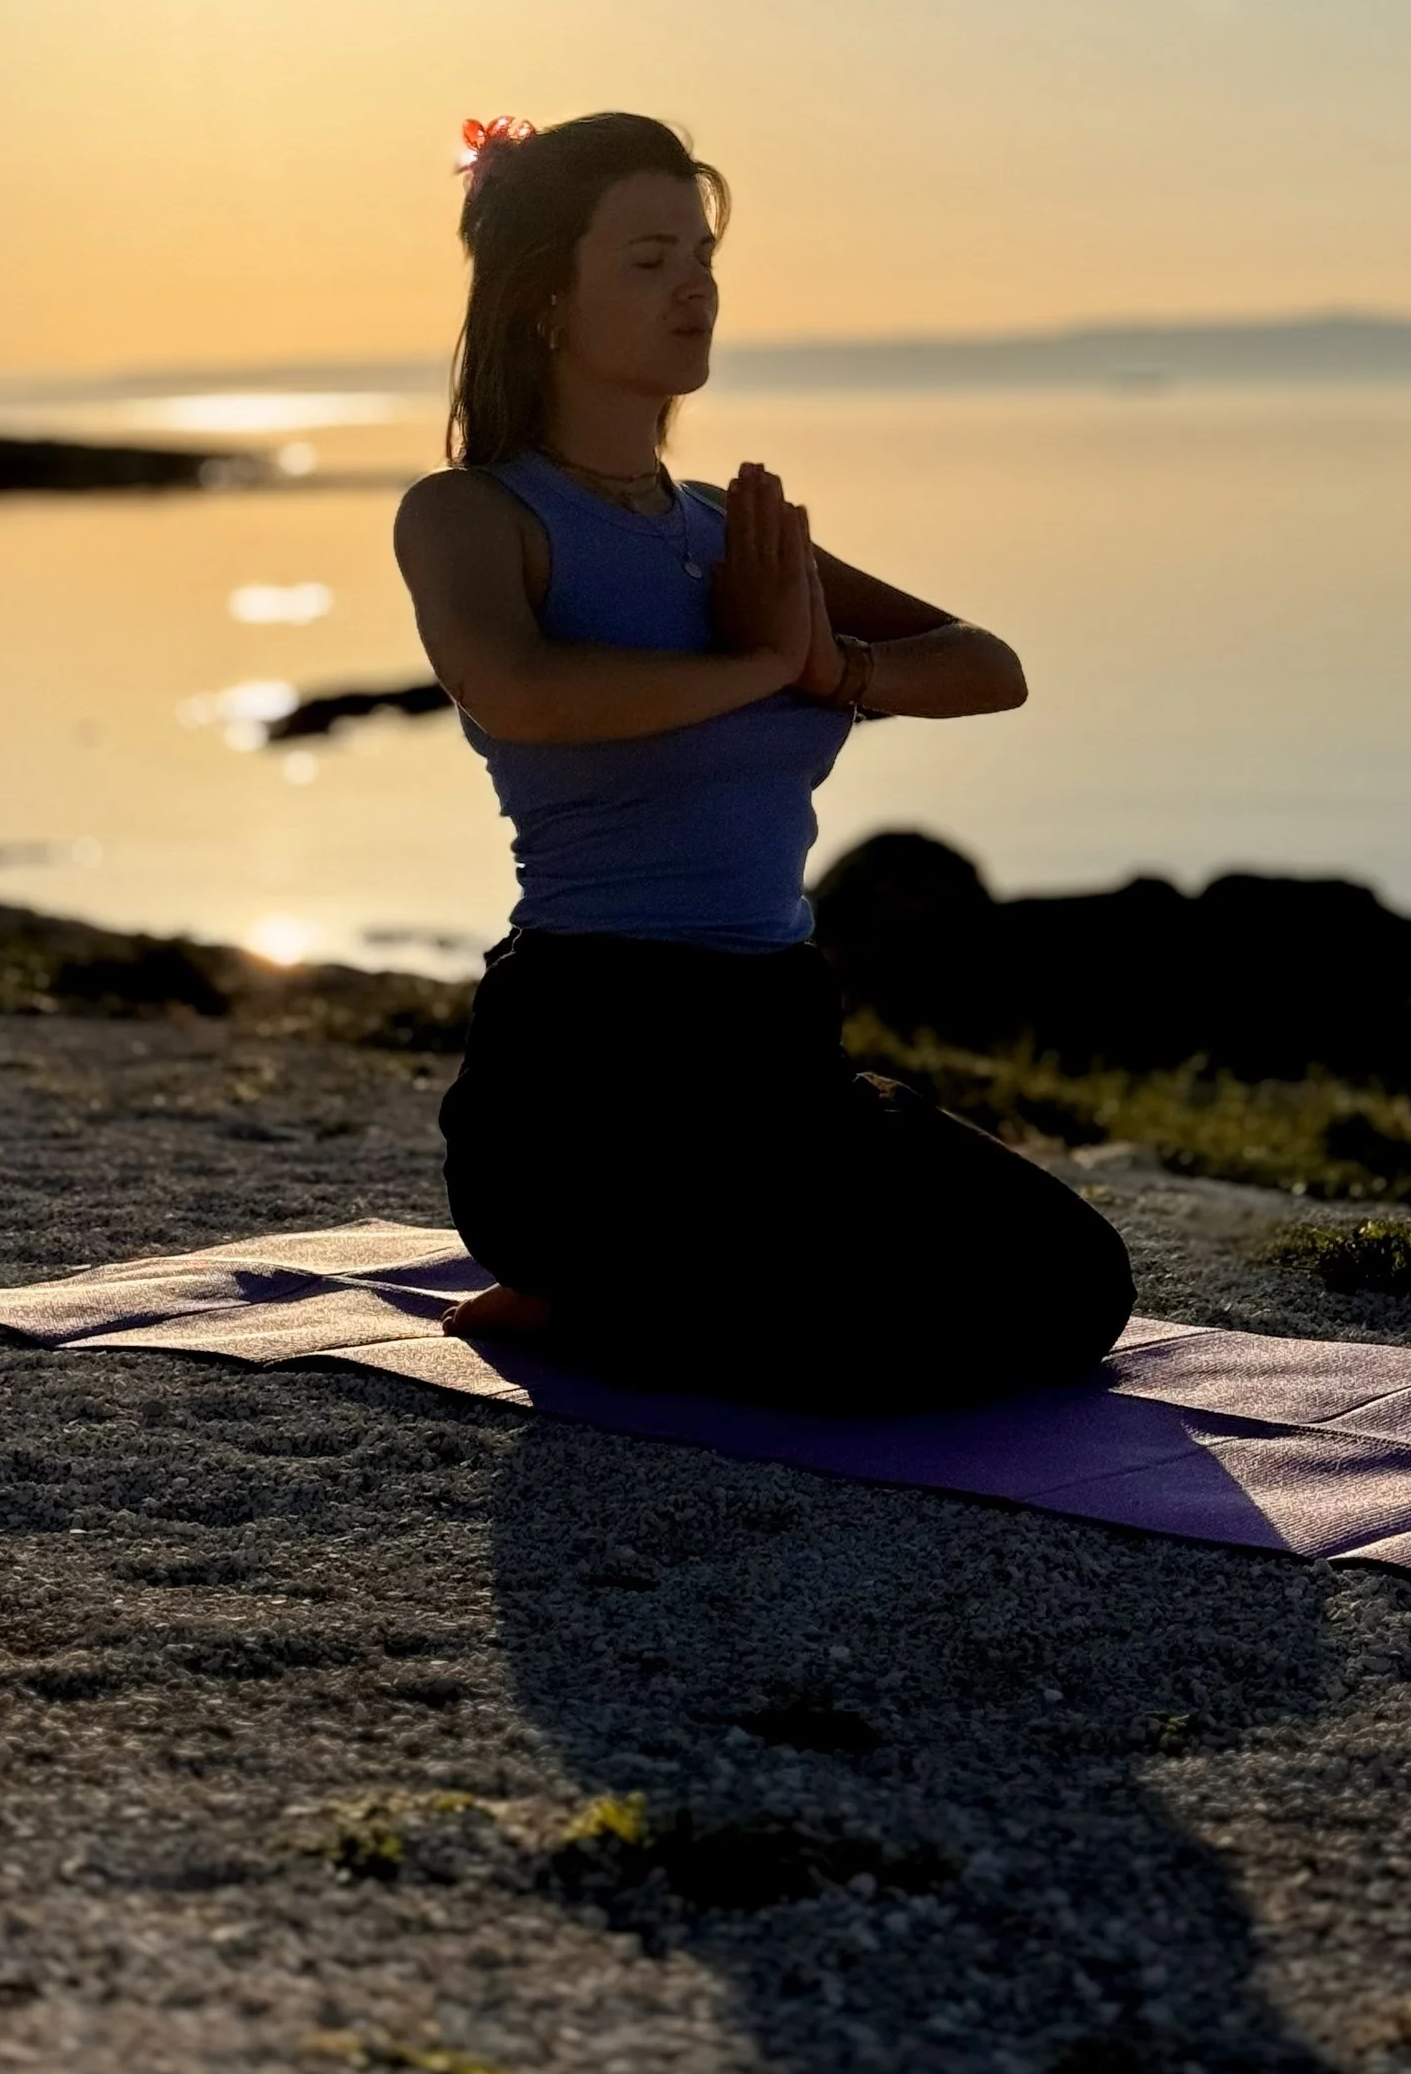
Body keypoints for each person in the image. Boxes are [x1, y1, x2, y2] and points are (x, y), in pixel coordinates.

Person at [393, 109, 1133, 1412]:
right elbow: (519, 690)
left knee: (1076, 1288)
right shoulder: (475, 515)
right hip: (588, 1077)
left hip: (776, 1058)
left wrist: (837, 669)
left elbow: (987, 664)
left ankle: (609, 1303)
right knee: (858, 1354)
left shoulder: (735, 537)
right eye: (646, 258)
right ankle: (588, 1287)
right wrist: (755, 664)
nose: (695, 286)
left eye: (702, 252)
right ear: (545, 300)